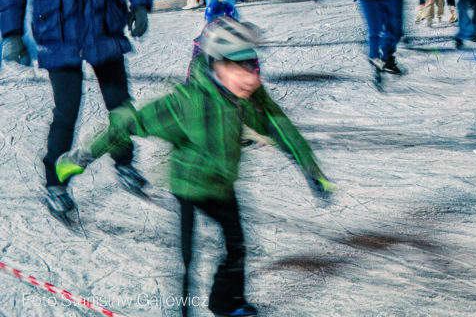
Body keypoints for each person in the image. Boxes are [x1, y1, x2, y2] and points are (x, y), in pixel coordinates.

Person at [56, 17, 335, 317]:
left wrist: (310, 169)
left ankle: (226, 304)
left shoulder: (250, 98)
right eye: (238, 68)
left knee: (237, 245)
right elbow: (125, 122)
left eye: (253, 67)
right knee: (189, 258)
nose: (250, 78)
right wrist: (80, 158)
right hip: (188, 184)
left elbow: (280, 127)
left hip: (221, 185)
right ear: (215, 66)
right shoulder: (186, 103)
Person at [0, 0, 153, 222]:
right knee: (66, 112)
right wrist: (11, 33)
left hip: (103, 24)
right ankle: (56, 182)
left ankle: (125, 162)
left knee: (120, 104)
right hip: (59, 30)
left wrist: (141, 4)